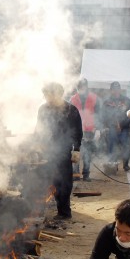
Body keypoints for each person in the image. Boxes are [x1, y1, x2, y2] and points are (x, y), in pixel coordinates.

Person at [35, 82, 83, 220]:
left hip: (63, 150)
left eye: (48, 95)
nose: (46, 98)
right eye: (45, 95)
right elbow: (38, 129)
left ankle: (64, 212)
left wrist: (77, 149)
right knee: (51, 181)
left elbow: (77, 131)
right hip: (47, 151)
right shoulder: (43, 109)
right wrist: (36, 145)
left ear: (58, 94)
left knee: (64, 182)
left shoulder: (71, 110)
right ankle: (45, 209)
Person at [70, 78, 100, 181]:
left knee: (87, 153)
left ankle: (86, 174)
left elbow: (99, 115)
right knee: (76, 151)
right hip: (76, 129)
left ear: (86, 87)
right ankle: (76, 174)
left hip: (90, 129)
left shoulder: (94, 98)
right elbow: (69, 115)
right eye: (79, 87)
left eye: (82, 87)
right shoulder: (73, 99)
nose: (81, 89)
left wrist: (98, 129)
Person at [102, 81, 130, 171]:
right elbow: (103, 115)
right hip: (112, 127)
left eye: (117, 89)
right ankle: (112, 165)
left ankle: (126, 164)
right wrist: (109, 124)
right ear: (111, 90)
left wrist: (124, 124)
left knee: (126, 145)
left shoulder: (126, 100)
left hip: (124, 127)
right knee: (111, 145)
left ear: (120, 89)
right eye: (114, 89)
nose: (116, 91)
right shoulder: (106, 101)